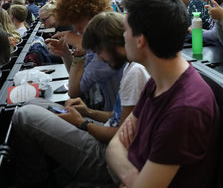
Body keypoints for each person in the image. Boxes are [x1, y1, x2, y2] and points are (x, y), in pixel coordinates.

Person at [11, 12, 149, 187]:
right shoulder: (131, 67)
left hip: (106, 157)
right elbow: (119, 119)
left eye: (99, 51)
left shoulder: (136, 72)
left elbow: (119, 134)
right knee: (32, 103)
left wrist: (82, 123)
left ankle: (35, 181)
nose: (98, 58)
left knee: (24, 115)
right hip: (105, 136)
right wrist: (87, 112)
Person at [105, 0, 220, 188]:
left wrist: (129, 172)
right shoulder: (159, 80)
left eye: (125, 30)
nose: (123, 37)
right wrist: (133, 176)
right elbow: (113, 146)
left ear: (140, 40)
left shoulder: (184, 110)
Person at [47, 0, 122, 111]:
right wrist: (65, 53)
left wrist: (82, 45)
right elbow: (77, 78)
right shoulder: (96, 42)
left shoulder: (107, 49)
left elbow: (74, 91)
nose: (76, 28)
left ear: (95, 14)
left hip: (109, 120)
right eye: (73, 22)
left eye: (79, 21)